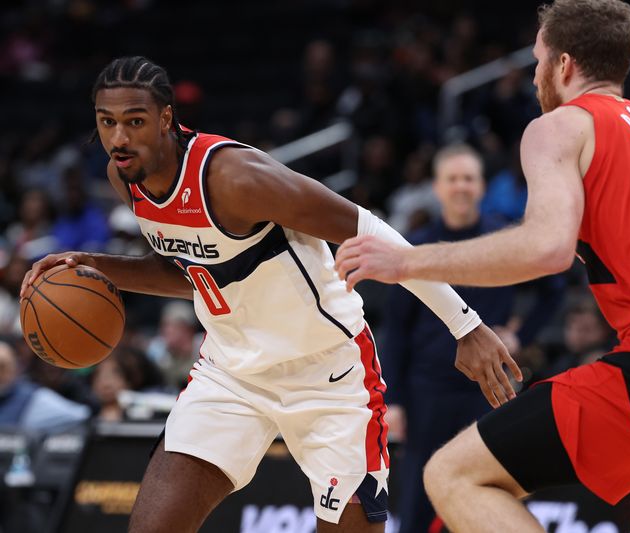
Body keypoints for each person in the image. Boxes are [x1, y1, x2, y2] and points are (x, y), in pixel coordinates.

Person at [334, 1, 630, 531]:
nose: (535, 75)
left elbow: (546, 249)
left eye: (537, 60)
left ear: (563, 65)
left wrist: (406, 261)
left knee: (453, 475)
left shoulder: (561, 126)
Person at [20, 56, 520, 533]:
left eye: (134, 121)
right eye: (107, 122)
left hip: (326, 373)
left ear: (166, 117)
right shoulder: (125, 176)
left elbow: (370, 230)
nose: (119, 138)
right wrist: (93, 267)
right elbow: (197, 271)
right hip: (231, 372)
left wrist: (465, 325)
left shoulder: (235, 179)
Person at [382, 143, 564, 533]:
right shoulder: (416, 244)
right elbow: (396, 330)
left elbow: (555, 287)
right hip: (425, 391)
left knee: (483, 493)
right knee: (417, 497)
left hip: (488, 389)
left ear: (482, 186)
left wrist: (520, 335)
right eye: (452, 179)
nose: (461, 186)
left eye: (469, 178)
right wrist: (393, 399)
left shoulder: (502, 235)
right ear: (437, 187)